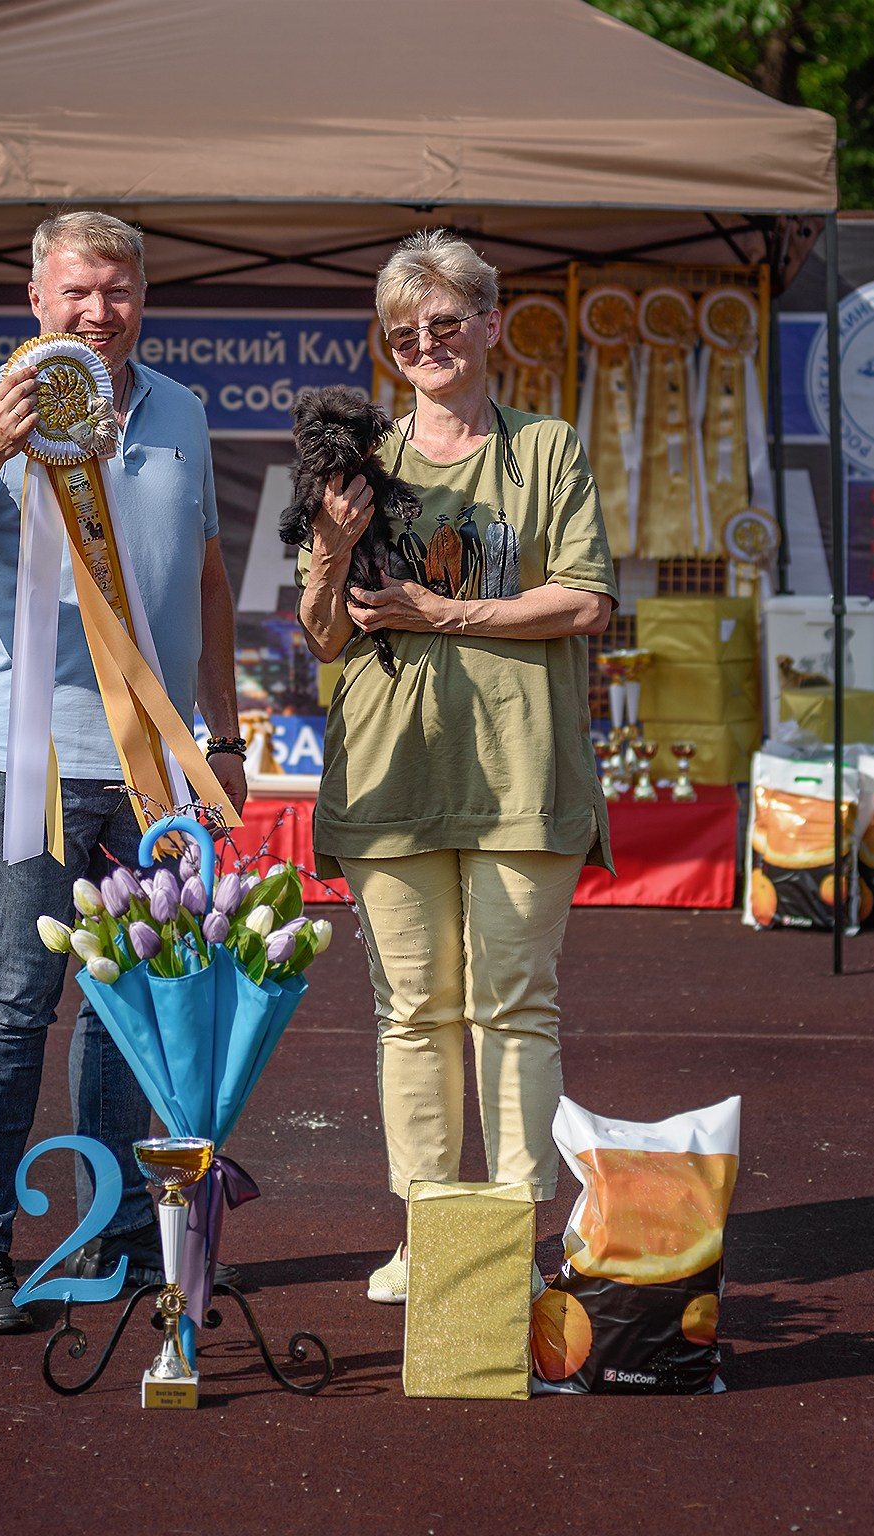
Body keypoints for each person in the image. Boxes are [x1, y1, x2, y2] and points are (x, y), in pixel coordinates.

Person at [0, 211, 248, 1334]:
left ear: (144, 296)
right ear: (35, 299)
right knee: (16, 999)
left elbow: (205, 580)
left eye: (119, 291)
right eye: (77, 292)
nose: (99, 312)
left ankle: (116, 1231)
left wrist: (225, 738)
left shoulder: (182, 409)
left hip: (158, 767)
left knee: (131, 1007)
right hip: (35, 759)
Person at [297, 230, 617, 1305]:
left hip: (522, 768)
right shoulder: (357, 458)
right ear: (387, 346)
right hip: (390, 772)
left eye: (445, 321)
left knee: (513, 1003)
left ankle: (512, 1241)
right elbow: (324, 638)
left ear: (489, 323)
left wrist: (440, 611)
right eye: (404, 331)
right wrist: (335, 548)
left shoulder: (544, 448)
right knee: (411, 1011)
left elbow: (583, 599)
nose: (425, 343)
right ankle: (430, 1232)